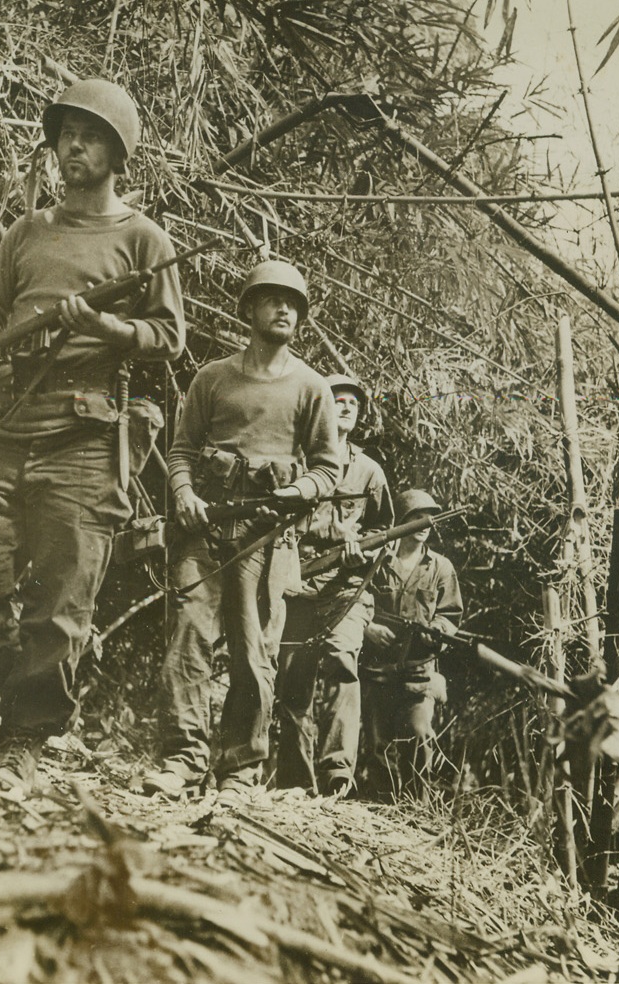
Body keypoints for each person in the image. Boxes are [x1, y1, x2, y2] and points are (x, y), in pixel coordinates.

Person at [0, 79, 185, 797]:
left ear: (118, 155)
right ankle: (23, 679)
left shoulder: (144, 240)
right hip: (6, 420)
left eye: (91, 137)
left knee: (64, 594)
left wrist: (106, 327)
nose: (74, 147)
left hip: (86, 434)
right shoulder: (27, 232)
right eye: (67, 134)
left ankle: (21, 738)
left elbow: (169, 337)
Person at [143, 260, 341, 805]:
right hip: (205, 527)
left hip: (267, 535)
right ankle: (181, 762)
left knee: (254, 654)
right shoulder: (212, 378)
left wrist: (300, 491)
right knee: (188, 638)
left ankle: (240, 772)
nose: (284, 310)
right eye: (273, 299)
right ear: (249, 309)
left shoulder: (312, 387)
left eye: (293, 304)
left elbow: (329, 468)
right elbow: (181, 451)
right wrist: (184, 494)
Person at [275, 373, 391, 797]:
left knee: (342, 661)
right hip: (294, 582)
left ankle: (338, 773)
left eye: (353, 404)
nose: (346, 407)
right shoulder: (294, 461)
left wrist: (364, 552)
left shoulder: (369, 471)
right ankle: (295, 779)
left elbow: (384, 531)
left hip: (346, 587)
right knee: (293, 680)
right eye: (337, 400)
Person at [359, 489, 462, 801]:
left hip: (418, 675)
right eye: (418, 517)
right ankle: (382, 810)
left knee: (418, 737)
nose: (426, 524)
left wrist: (436, 632)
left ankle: (417, 808)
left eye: (430, 518)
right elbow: (355, 601)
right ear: (402, 522)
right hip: (376, 671)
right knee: (378, 749)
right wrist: (368, 628)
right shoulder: (376, 561)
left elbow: (450, 614)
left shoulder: (441, 567)